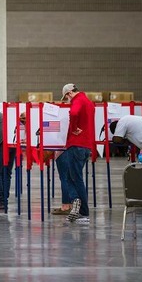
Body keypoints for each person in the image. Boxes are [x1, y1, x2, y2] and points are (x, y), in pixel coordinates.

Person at [56, 83, 95, 224]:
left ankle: (81, 208)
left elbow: (73, 113)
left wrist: (73, 128)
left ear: (69, 93)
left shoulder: (77, 100)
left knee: (72, 177)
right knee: (75, 177)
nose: (67, 101)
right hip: (86, 146)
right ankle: (79, 205)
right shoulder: (89, 102)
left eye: (67, 98)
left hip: (77, 144)